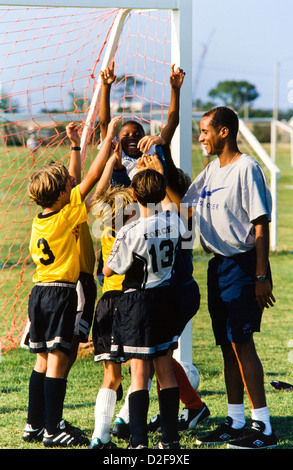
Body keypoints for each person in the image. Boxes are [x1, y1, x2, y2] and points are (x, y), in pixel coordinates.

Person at [181, 106, 278, 449]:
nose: (201, 137)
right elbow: (184, 204)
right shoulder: (210, 171)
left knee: (242, 342)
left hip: (244, 264)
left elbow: (260, 224)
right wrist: (158, 163)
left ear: (224, 132)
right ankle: (236, 420)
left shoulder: (246, 168)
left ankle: (263, 425)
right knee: (226, 345)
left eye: (205, 131)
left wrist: (261, 273)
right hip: (218, 266)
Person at [22, 116, 121, 448]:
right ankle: (53, 429)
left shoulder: (45, 217)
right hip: (65, 294)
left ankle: (34, 424)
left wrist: (77, 146)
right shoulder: (68, 215)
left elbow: (83, 181)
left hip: (39, 293)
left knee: (42, 359)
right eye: (67, 183)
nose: (71, 182)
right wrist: (106, 138)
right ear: (64, 193)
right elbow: (90, 178)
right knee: (60, 360)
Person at [103, 168, 184, 449]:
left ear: (133, 195)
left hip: (139, 302)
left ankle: (138, 441)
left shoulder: (130, 230)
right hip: (166, 299)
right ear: (163, 194)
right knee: (165, 372)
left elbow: (109, 269)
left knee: (139, 373)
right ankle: (170, 439)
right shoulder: (174, 223)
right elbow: (176, 214)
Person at [88, 153, 135, 450]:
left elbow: (96, 197)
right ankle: (128, 421)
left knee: (112, 375)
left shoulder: (103, 220)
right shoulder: (138, 227)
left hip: (105, 302)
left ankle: (99, 436)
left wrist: (107, 166)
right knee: (142, 368)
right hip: (130, 301)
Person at [98, 61, 185, 186]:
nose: (132, 137)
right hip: (121, 201)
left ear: (145, 138)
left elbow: (172, 124)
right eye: (126, 135)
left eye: (137, 134)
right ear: (117, 139)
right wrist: (106, 86)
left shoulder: (152, 152)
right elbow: (104, 123)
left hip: (150, 202)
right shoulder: (115, 151)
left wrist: (175, 90)